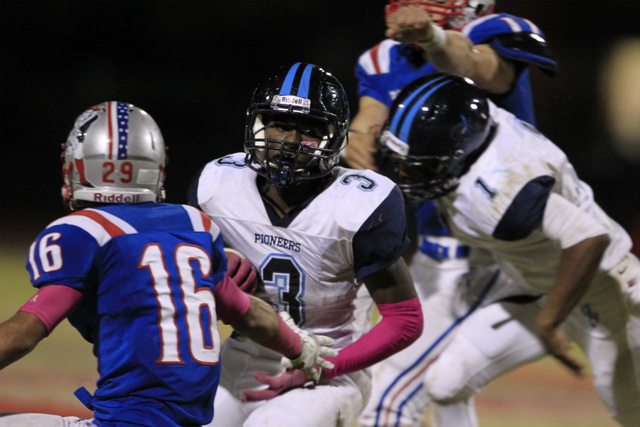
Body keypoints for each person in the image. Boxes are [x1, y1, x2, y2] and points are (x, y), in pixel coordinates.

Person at [0, 101, 337, 427]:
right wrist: (300, 347)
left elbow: (25, 333)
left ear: (77, 165)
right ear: (156, 168)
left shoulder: (81, 231)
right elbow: (245, 311)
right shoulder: (193, 225)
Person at [379, 73, 640, 426]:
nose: (405, 177)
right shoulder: (479, 125)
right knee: (446, 384)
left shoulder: (499, 185)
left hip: (604, 294)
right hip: (541, 288)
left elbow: (587, 238)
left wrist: (550, 323)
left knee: (631, 413)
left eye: (418, 165)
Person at [352, 2, 558, 426]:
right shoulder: (382, 58)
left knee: (389, 401)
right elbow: (369, 119)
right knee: (443, 386)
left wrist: (431, 36)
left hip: (497, 254)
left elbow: (476, 67)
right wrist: (358, 140)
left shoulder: (494, 33)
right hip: (436, 252)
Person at [187, 62, 424, 427]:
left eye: (310, 130)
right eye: (280, 124)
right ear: (258, 124)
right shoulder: (217, 186)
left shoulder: (360, 204)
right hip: (245, 355)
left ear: (336, 136)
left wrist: (323, 366)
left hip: (331, 365)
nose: (291, 142)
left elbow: (405, 320)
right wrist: (221, 263)